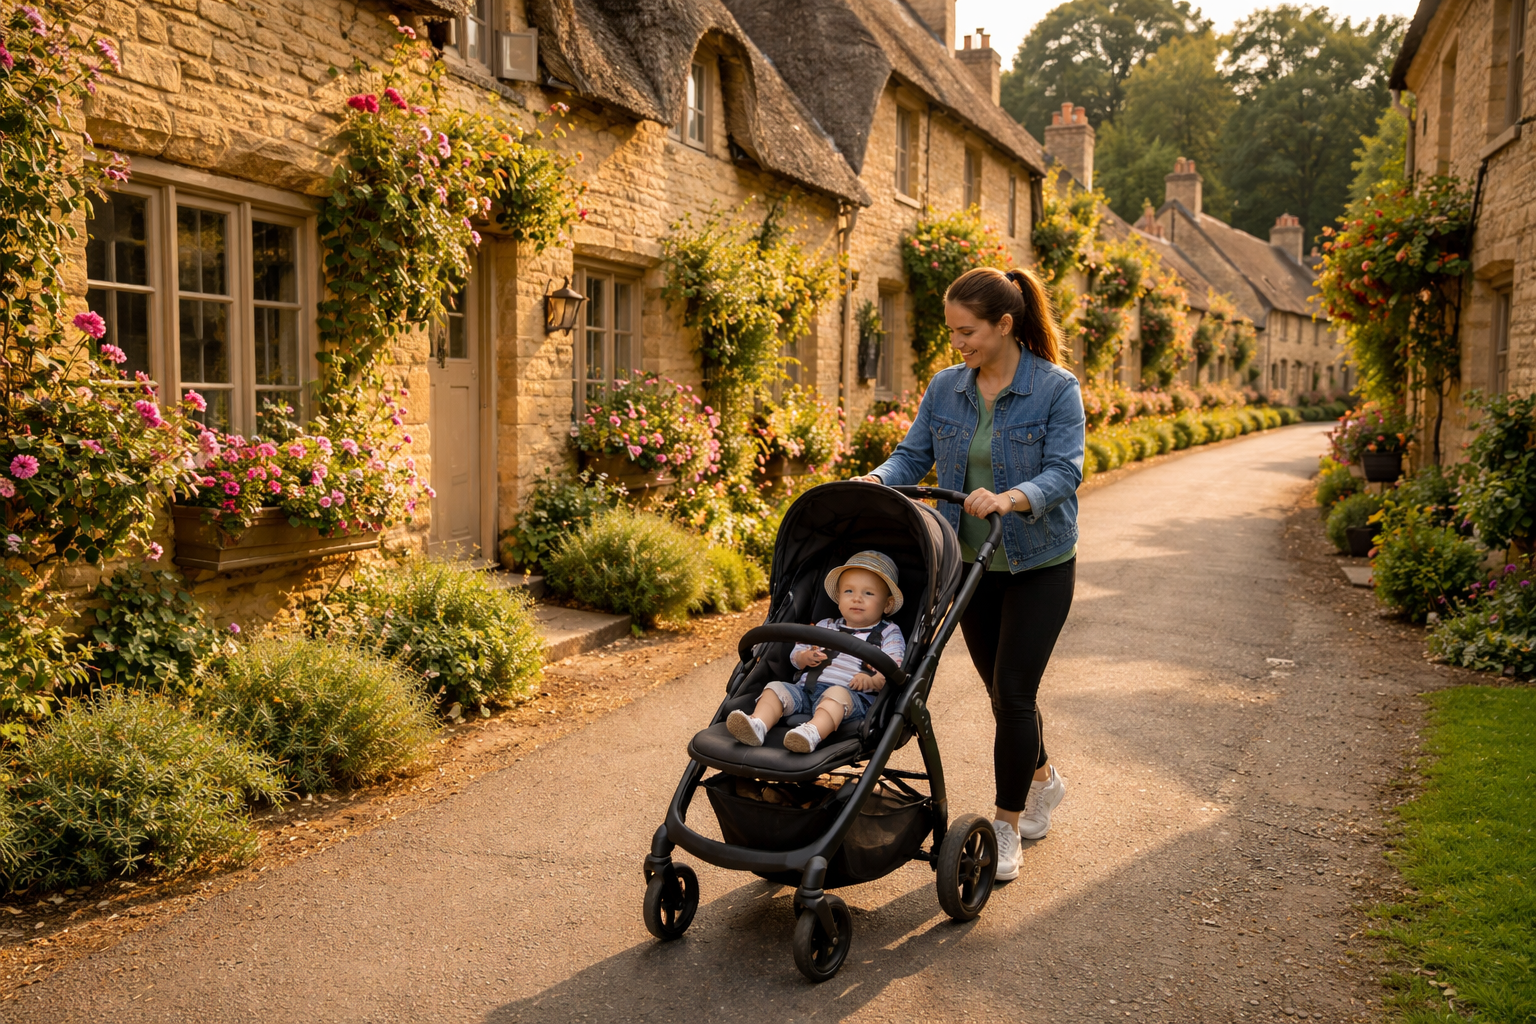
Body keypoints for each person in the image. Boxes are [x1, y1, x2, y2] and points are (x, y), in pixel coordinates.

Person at [853, 266, 1084, 883]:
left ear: (1005, 325)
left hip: (1038, 563)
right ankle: (1043, 780)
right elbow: (912, 454)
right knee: (1001, 694)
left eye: (969, 331)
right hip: (971, 566)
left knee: (1013, 693)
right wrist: (876, 479)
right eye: (952, 332)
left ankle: (1007, 828)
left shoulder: (1056, 389)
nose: (959, 344)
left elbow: (1066, 472)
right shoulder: (947, 387)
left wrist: (1011, 496)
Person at [727, 551, 908, 754]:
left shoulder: (888, 632)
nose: (857, 598)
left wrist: (874, 680)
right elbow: (797, 654)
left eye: (868, 593)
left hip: (852, 698)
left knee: (835, 695)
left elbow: (895, 667)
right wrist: (804, 658)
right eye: (849, 591)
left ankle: (812, 733)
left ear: (887, 604)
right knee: (775, 688)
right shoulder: (825, 625)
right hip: (806, 692)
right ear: (838, 598)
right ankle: (758, 724)